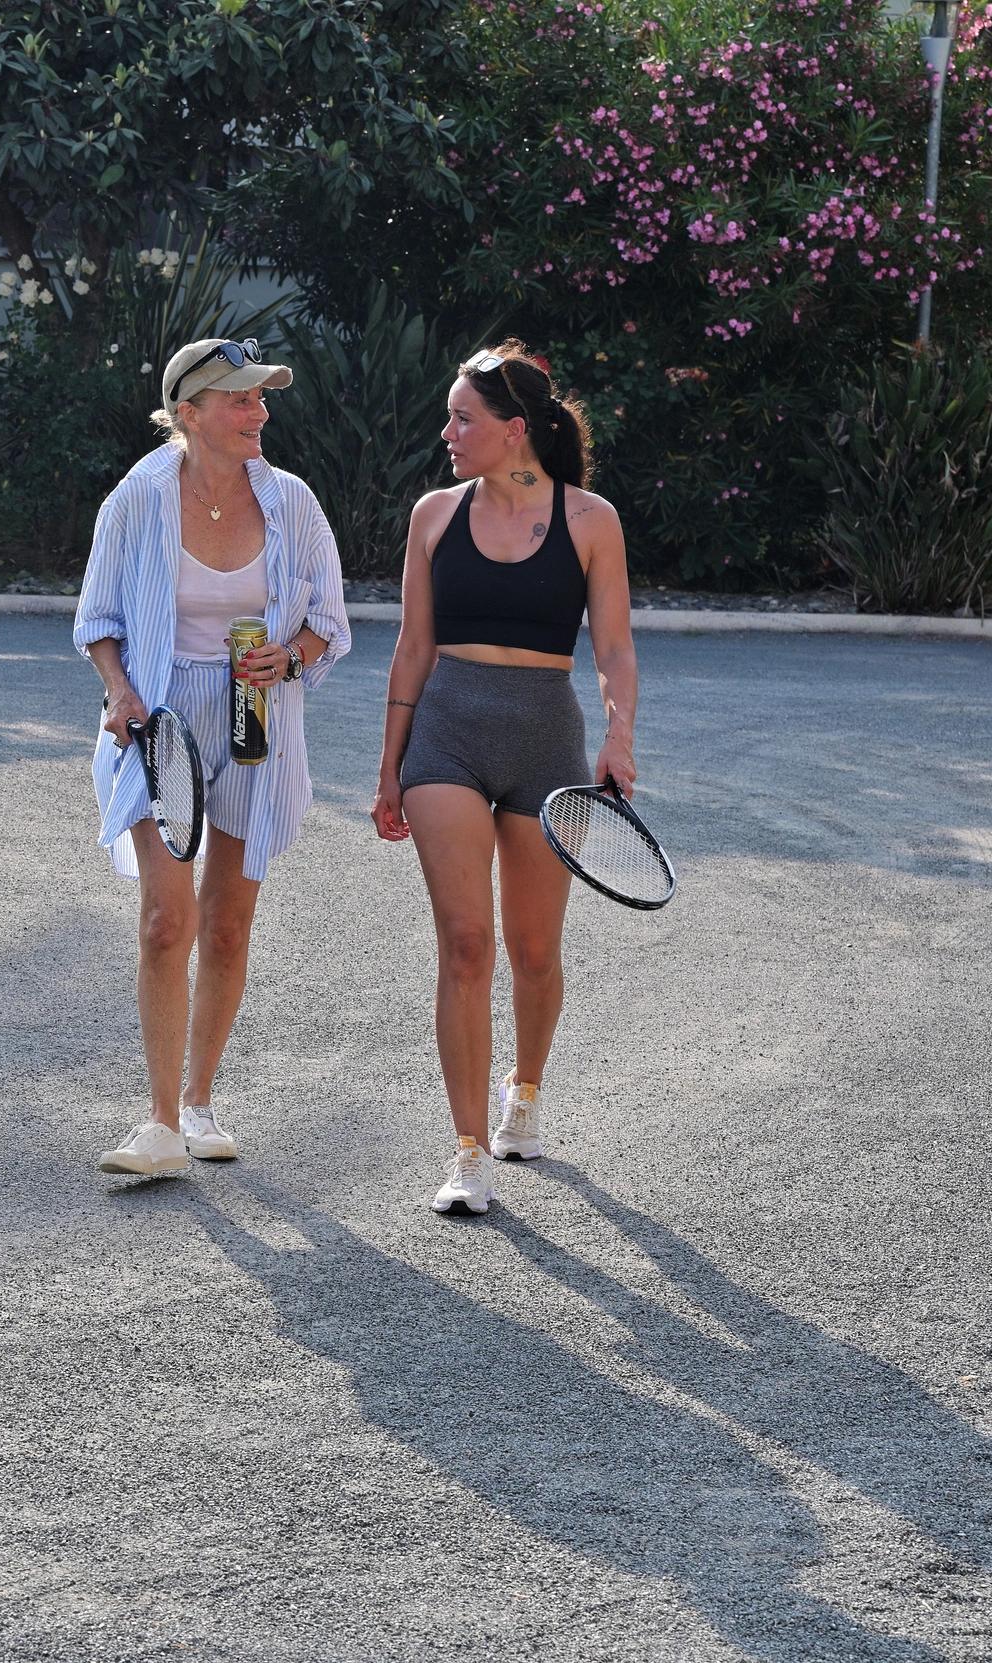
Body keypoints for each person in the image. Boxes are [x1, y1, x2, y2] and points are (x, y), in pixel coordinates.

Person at [371, 340, 640, 1216]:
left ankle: (525, 1091)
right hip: (446, 733)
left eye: (464, 419)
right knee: (465, 943)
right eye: (451, 417)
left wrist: (620, 735)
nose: (448, 432)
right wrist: (389, 770)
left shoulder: (591, 520)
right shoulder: (433, 516)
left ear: (514, 430)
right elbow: (412, 647)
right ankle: (466, 1152)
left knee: (532, 950)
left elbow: (612, 646)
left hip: (546, 743)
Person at [74, 337, 352, 1177]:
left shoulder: (293, 503)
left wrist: (289, 657)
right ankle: (158, 1123)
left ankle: (198, 1101)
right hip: (160, 720)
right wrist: (120, 692)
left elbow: (330, 623)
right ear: (187, 413)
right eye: (240, 399)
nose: (259, 413)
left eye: (263, 399)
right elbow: (97, 621)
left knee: (228, 924)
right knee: (169, 918)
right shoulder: (138, 498)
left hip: (255, 712)